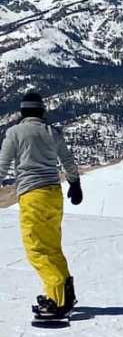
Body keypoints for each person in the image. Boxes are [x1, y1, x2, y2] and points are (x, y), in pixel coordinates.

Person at [0, 90, 82, 320]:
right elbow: (67, 159)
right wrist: (75, 183)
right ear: (41, 111)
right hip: (54, 194)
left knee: (36, 249)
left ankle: (56, 301)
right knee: (52, 247)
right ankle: (65, 294)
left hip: (32, 195)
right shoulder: (51, 131)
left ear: (22, 112)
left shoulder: (15, 132)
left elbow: (2, 165)